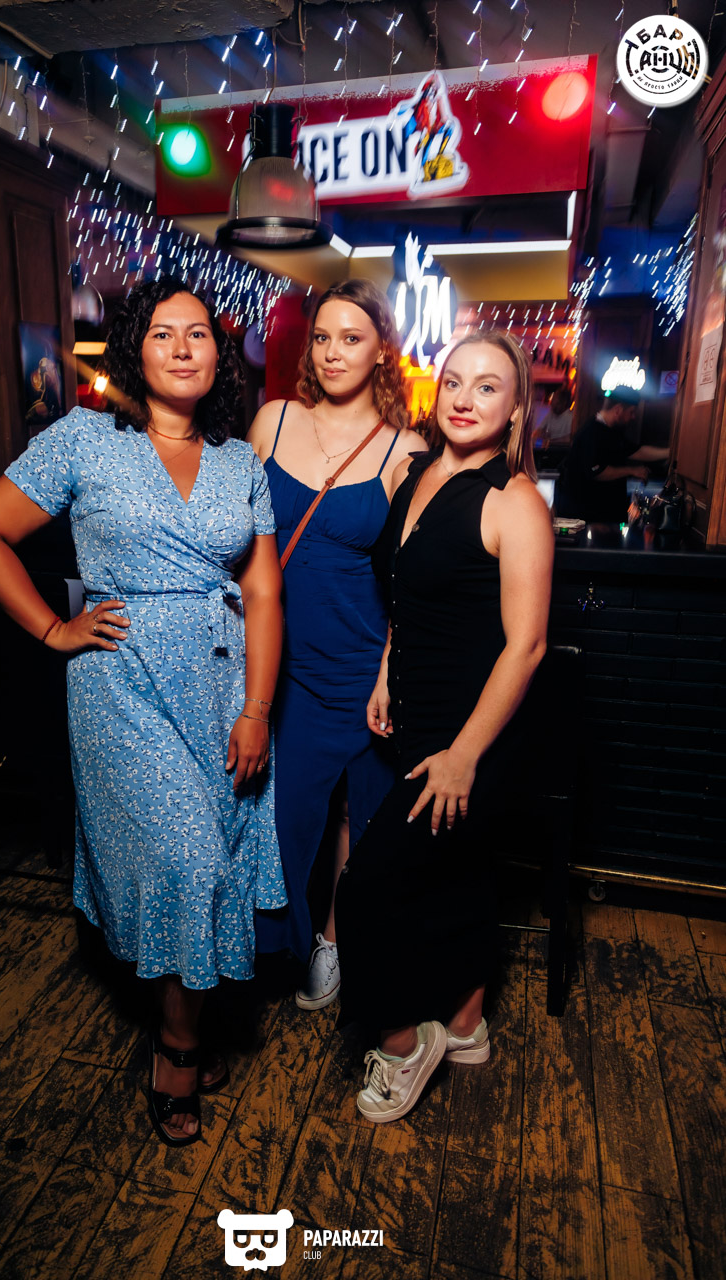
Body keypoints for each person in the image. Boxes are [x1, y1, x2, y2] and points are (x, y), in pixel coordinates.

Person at [0, 277, 285, 1147]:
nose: (182, 347)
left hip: (220, 687)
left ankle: (190, 1024)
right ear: (136, 349)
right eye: (162, 332)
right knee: (187, 865)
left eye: (198, 333)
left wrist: (256, 708)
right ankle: (177, 1050)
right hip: (123, 688)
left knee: (215, 862)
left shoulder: (240, 462)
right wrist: (52, 629)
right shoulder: (83, 439)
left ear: (218, 357)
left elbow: (261, 590)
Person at [335, 329, 554, 1123]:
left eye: (487, 386)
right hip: (417, 716)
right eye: (454, 382)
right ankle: (464, 1025)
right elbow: (405, 594)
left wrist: (463, 755)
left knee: (368, 889)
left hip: (473, 737)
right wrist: (386, 670)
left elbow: (526, 646)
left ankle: (402, 1043)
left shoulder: (512, 501)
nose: (464, 399)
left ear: (516, 408)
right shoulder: (414, 472)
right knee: (455, 874)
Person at [248, 280, 426, 1010]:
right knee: (280, 815)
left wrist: (388, 670)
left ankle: (335, 939)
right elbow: (232, 536)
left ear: (381, 350)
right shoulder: (273, 422)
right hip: (277, 661)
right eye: (321, 337)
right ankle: (269, 947)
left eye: (351, 339)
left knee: (363, 814)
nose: (332, 352)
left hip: (360, 662)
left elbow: (411, 580)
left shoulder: (404, 449)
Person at [554, 388, 668, 522]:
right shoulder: (592, 432)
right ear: (618, 410)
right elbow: (596, 472)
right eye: (631, 412)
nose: (633, 417)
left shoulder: (610, 431)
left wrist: (669, 453)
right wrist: (632, 470)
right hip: (588, 515)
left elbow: (637, 451)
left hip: (601, 514)